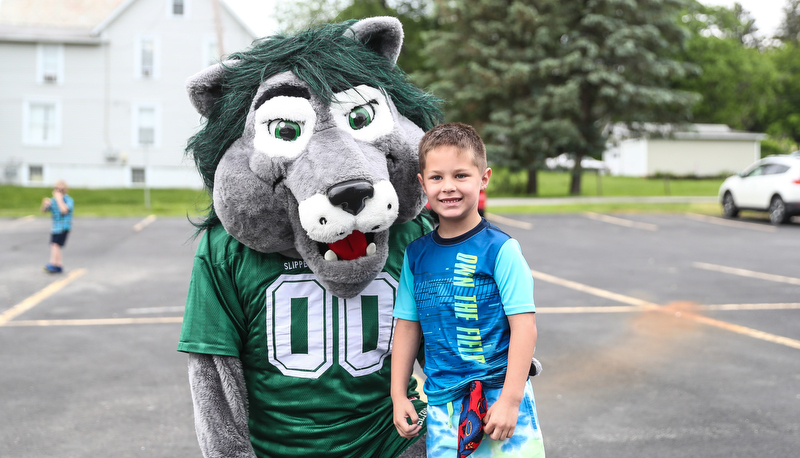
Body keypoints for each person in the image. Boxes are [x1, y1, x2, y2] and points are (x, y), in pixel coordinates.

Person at [391, 123, 545, 457]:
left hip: (498, 400)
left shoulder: (501, 250)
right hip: (445, 407)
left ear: (483, 178)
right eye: (437, 178)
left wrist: (510, 400)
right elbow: (407, 326)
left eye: (461, 175)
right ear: (422, 183)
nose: (448, 187)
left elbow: (524, 327)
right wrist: (398, 394)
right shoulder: (416, 255)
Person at [40, 180, 74, 273]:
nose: (58, 192)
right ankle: (58, 264)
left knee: (55, 245)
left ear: (65, 190)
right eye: (57, 189)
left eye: (61, 190)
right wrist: (45, 203)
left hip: (63, 227)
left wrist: (59, 199)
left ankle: (53, 263)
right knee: (55, 245)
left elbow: (64, 210)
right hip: (55, 227)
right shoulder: (53, 200)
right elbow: (43, 211)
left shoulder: (68, 200)